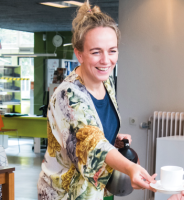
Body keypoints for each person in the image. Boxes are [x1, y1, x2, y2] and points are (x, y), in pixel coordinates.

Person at [37, 0, 156, 199]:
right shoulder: (68, 94)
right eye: (95, 52)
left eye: (112, 50)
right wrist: (129, 168)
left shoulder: (106, 82)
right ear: (79, 54)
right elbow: (90, 143)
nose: (106, 60)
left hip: (93, 191)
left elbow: (90, 130)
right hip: (65, 194)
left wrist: (111, 137)